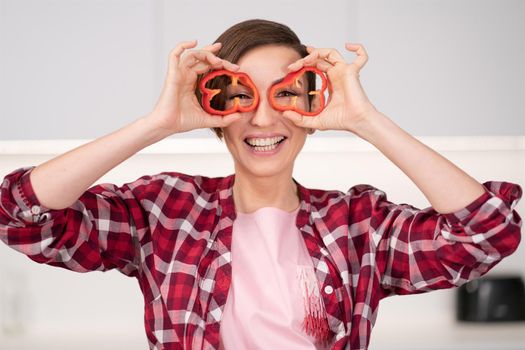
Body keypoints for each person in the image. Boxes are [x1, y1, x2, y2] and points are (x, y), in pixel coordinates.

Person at [0, 18, 522, 350]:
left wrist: (365, 119)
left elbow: (487, 232)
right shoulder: (166, 211)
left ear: (314, 108)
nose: (265, 119)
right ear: (213, 110)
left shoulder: (358, 225)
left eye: (288, 95)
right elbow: (19, 214)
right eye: (240, 95)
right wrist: (156, 123)